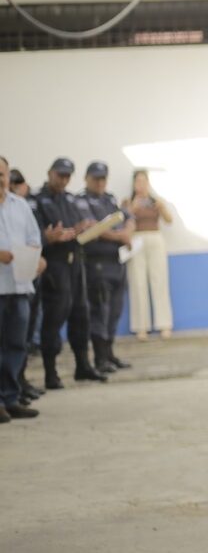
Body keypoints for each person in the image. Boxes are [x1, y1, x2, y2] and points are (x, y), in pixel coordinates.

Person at [34, 157, 105, 387]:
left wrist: (82, 229)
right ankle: (50, 372)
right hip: (54, 263)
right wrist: (48, 238)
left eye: (67, 176)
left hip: (75, 262)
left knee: (80, 315)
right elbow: (32, 236)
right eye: (60, 175)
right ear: (49, 173)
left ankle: (82, 365)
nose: (63, 180)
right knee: (55, 317)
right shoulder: (37, 201)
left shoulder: (70, 199)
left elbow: (75, 227)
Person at [0, 156, 44, 422]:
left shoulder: (21, 206)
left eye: (2, 173)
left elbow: (33, 239)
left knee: (17, 345)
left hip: (20, 286)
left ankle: (11, 398)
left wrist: (36, 259)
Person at [80, 162, 133, 373]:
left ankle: (109, 354)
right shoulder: (81, 201)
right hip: (97, 263)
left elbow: (128, 217)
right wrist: (120, 236)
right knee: (100, 311)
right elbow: (94, 228)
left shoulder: (109, 199)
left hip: (116, 261)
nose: (100, 182)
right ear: (87, 179)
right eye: (96, 179)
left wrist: (128, 230)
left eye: (103, 178)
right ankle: (100, 358)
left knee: (115, 310)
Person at [124, 169, 174, 340]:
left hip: (155, 238)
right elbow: (121, 220)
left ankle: (164, 324)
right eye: (138, 181)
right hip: (136, 239)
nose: (141, 185)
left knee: (159, 279)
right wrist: (132, 208)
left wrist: (162, 207)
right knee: (138, 282)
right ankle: (141, 327)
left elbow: (169, 220)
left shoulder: (155, 201)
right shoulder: (128, 202)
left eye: (144, 181)